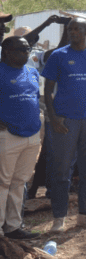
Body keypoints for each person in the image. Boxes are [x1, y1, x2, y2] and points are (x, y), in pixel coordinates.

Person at [42, 17, 86, 232]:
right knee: (62, 172)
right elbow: (47, 89)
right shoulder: (58, 55)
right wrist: (53, 117)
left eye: (77, 29)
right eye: (70, 29)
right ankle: (59, 218)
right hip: (65, 121)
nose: (73, 32)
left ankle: (84, 215)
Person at [0, 36, 42, 239]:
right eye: (21, 49)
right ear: (6, 51)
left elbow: (35, 99)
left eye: (28, 49)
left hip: (32, 134)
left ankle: (13, 227)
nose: (26, 53)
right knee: (2, 183)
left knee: (19, 182)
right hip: (7, 136)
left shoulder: (32, 72)